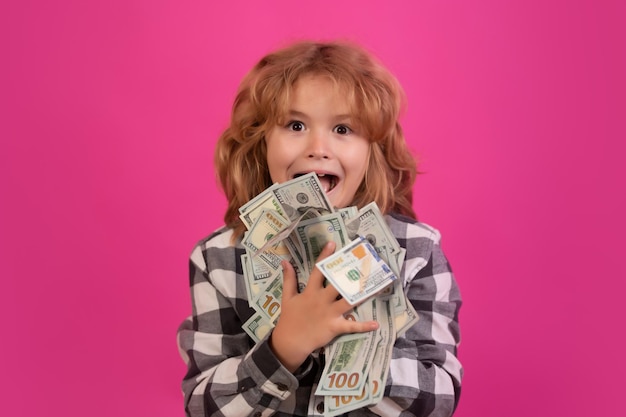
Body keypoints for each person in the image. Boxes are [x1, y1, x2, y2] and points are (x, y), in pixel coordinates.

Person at [177, 40, 462, 417]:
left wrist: (347, 340)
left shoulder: (416, 250)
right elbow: (204, 406)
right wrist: (284, 347)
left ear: (372, 152)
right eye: (296, 125)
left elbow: (438, 399)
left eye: (343, 128)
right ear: (259, 142)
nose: (318, 147)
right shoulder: (219, 258)